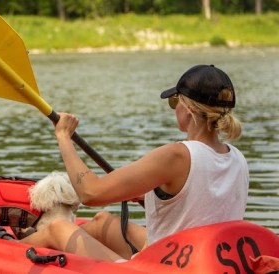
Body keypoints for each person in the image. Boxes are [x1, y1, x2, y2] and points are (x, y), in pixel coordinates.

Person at [20, 64, 249, 262]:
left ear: (187, 108)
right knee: (102, 222)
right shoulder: (238, 158)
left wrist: (63, 137)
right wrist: (151, 196)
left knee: (58, 229)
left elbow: (90, 193)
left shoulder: (177, 155)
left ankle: (5, 247)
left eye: (174, 102)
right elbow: (202, 204)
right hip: (201, 261)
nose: (174, 108)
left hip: (163, 268)